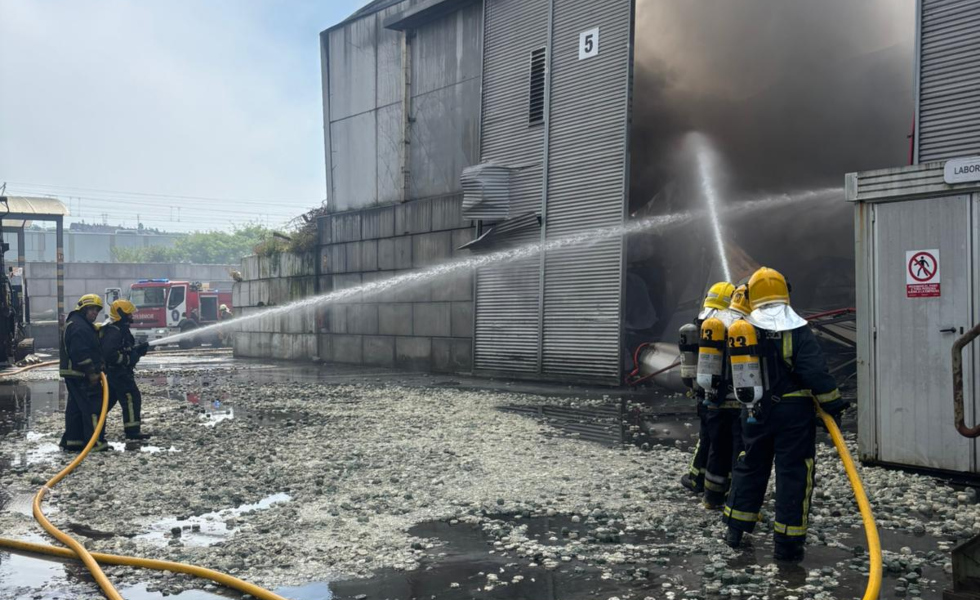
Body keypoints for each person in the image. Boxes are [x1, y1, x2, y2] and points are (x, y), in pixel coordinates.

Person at [722, 267, 848, 562]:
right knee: (794, 472)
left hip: (754, 411)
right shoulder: (797, 329)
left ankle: (736, 529)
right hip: (793, 414)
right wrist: (834, 405)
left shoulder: (743, 329)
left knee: (751, 464)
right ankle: (787, 545)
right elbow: (814, 372)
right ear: (784, 293)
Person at [680, 281, 735, 494]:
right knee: (721, 442)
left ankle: (697, 478)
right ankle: (708, 484)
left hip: (702, 392)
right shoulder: (733, 328)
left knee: (707, 437)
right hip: (726, 396)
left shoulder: (700, 326)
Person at [701, 284, 750, 509]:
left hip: (714, 401)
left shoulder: (714, 323)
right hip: (739, 402)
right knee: (740, 452)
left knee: (717, 449)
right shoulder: (747, 326)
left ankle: (711, 498)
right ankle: (735, 500)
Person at [59, 294, 108, 452]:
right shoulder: (80, 326)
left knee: (75, 408)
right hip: (81, 375)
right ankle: (95, 443)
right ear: (84, 309)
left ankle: (74, 441)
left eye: (97, 311)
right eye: (92, 310)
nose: (95, 314)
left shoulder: (77, 323)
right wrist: (92, 372)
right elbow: (80, 352)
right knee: (93, 407)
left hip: (73, 373)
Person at [100, 299, 151, 440]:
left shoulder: (120, 330)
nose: (132, 316)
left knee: (106, 402)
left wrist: (138, 351)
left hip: (116, 373)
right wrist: (130, 359)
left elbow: (124, 350)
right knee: (131, 398)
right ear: (121, 314)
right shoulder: (114, 331)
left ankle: (94, 428)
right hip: (118, 373)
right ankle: (132, 431)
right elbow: (110, 354)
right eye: (129, 314)